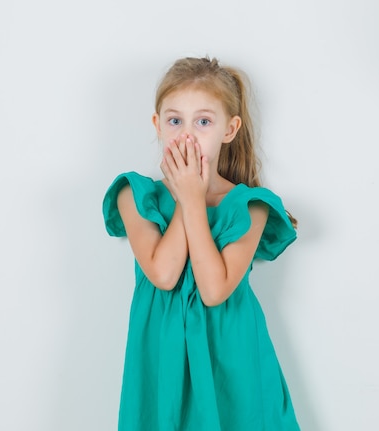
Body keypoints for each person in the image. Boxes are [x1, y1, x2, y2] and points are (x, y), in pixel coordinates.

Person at [102, 56, 300, 430]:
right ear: (158, 125)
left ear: (230, 129)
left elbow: (213, 290)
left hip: (234, 371)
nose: (187, 136)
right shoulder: (135, 195)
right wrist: (185, 195)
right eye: (175, 121)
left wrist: (194, 198)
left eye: (203, 121)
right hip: (162, 368)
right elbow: (164, 272)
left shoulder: (250, 206)